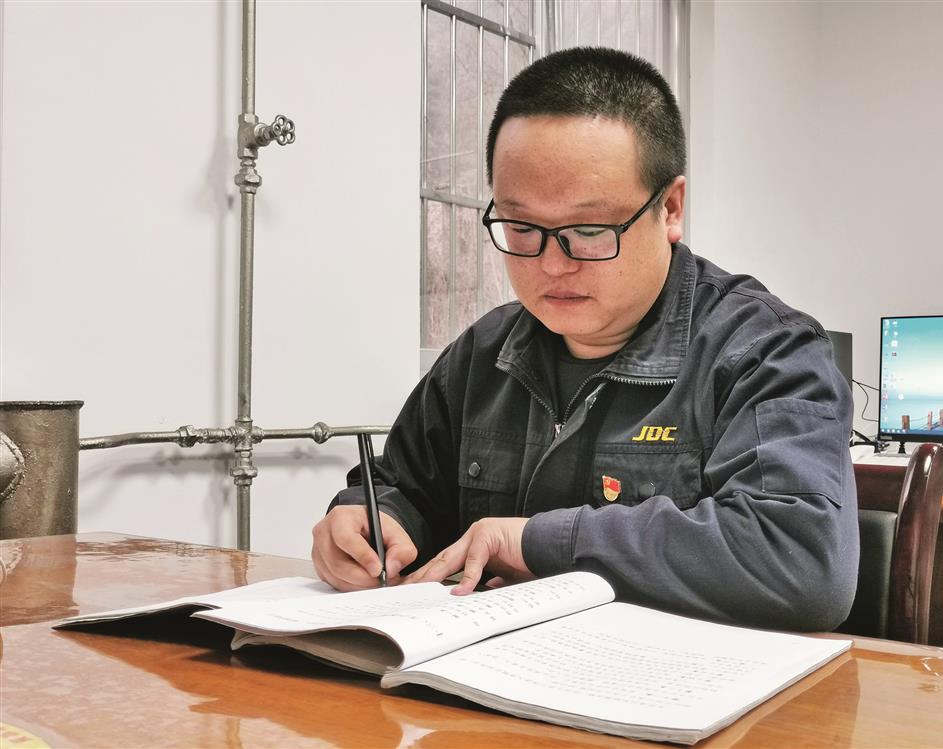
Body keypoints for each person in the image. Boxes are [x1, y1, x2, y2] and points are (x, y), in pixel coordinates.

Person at [312, 47, 859, 631]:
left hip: (672, 680)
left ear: (671, 208)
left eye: (590, 230)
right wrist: (368, 520)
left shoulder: (764, 352)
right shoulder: (482, 354)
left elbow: (801, 560)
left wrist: (536, 543)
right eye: (522, 227)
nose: (552, 264)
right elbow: (401, 488)